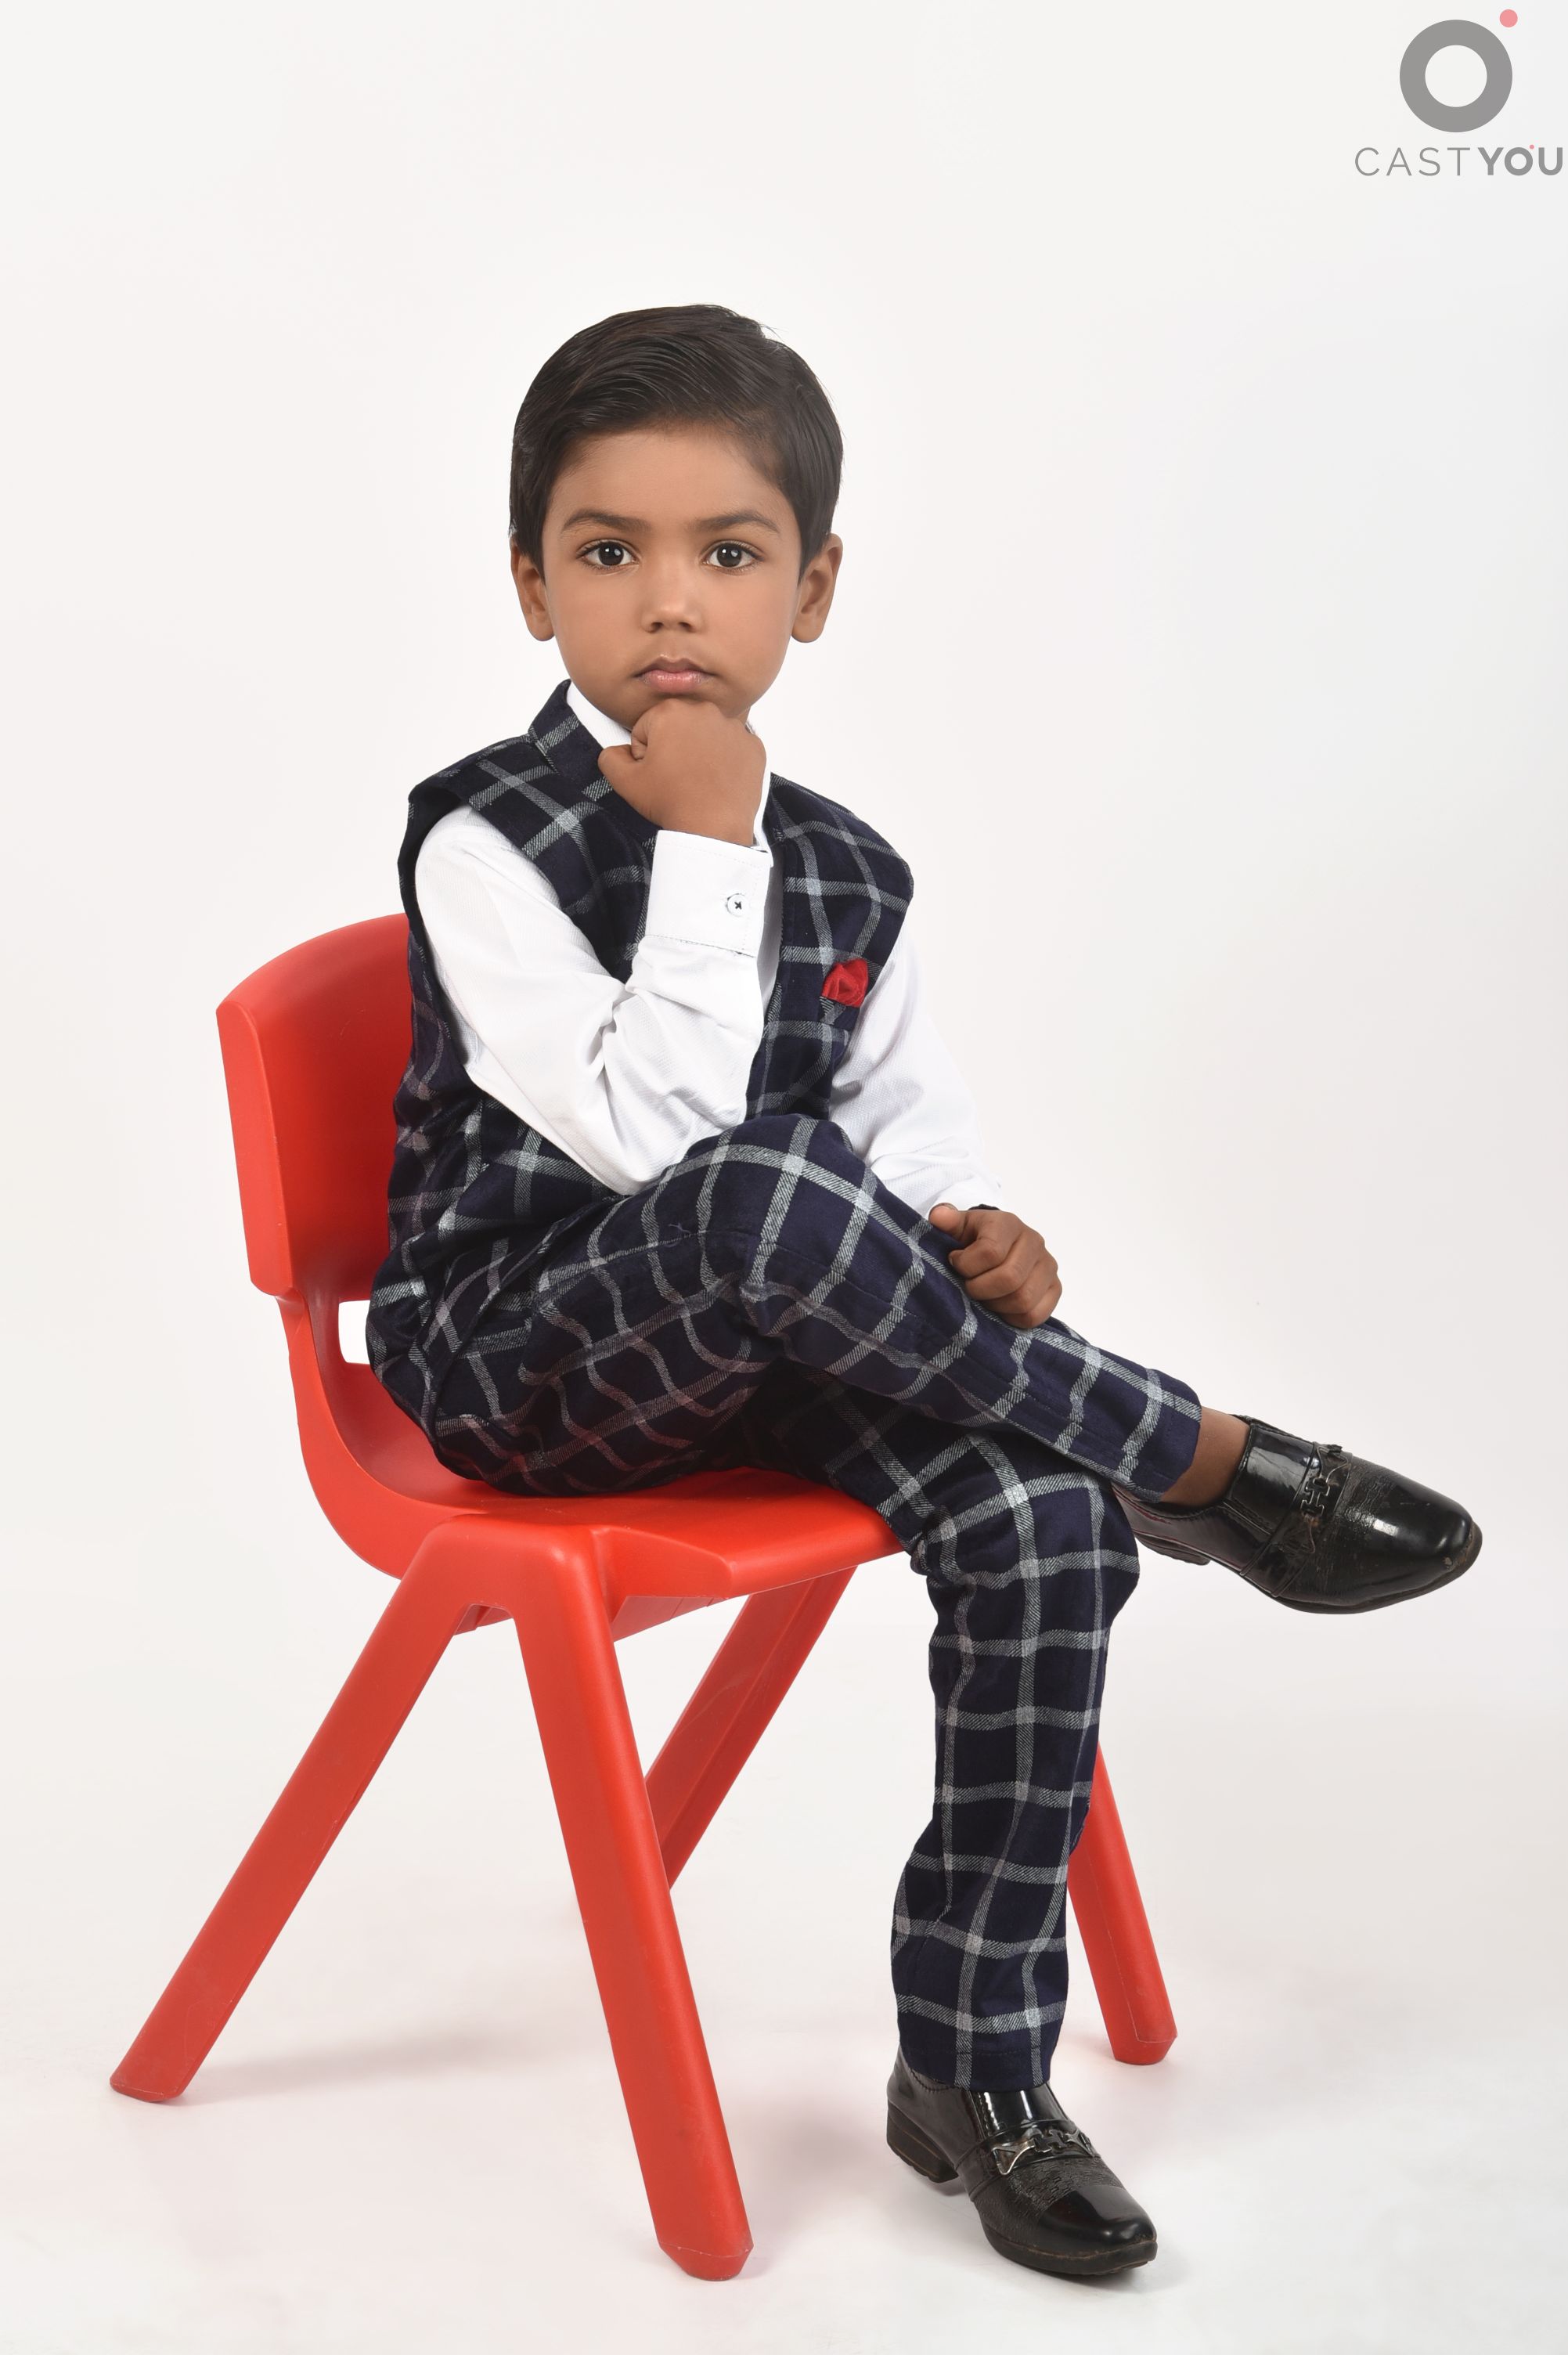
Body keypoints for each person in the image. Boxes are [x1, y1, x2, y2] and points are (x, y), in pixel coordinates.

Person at [366, 301, 1481, 2281]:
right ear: (531, 582)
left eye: (727, 551)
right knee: (759, 1181)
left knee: (1042, 1513)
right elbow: (658, 1137)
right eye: (608, 550)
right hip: (526, 1360)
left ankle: (973, 2065)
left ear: (811, 587)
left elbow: (900, 1131)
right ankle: (1204, 1455)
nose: (668, 600)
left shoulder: (856, 870)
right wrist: (708, 846)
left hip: (780, 1335)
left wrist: (977, 1226)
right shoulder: (485, 839)